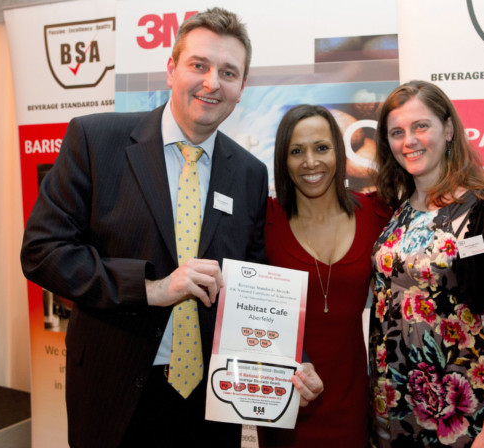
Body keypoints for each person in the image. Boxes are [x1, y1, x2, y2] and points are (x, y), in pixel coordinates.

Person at [21, 8, 320, 448]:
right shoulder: (95, 139)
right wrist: (151, 289)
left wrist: (291, 361)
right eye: (199, 65)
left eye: (229, 72)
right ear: (171, 70)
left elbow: (249, 281)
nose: (212, 82)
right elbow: (43, 252)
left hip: (209, 402)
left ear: (241, 90)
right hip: (115, 391)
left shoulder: (250, 175)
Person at [368, 81, 484, 447]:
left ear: (449, 129)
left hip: (460, 418)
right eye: (397, 132)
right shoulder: (398, 210)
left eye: (420, 126)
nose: (409, 140)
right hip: (390, 409)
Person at [260, 104, 391, 447]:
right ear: (282, 160)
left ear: (338, 150)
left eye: (321, 148)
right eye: (296, 151)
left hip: (352, 403)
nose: (310, 162)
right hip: (286, 403)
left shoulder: (376, 214)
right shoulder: (264, 221)